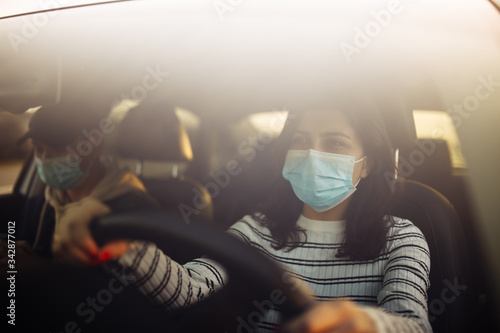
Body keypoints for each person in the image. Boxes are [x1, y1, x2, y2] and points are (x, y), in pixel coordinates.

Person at [53, 99, 431, 333]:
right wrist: (121, 247)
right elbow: (189, 289)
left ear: (366, 165)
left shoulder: (402, 238)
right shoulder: (254, 228)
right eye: (300, 141)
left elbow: (414, 324)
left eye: (334, 143)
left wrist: (367, 325)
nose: (312, 153)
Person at [0, 102, 158, 269]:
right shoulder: (41, 204)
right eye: (38, 149)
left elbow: (121, 287)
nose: (45, 158)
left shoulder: (131, 209)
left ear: (94, 145)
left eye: (58, 149)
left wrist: (40, 274)